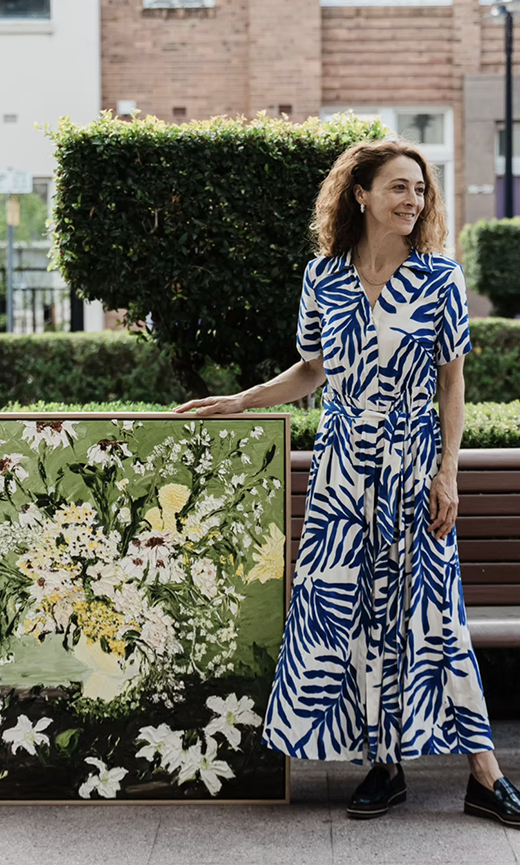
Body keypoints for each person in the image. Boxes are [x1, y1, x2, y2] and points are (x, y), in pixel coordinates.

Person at [173, 138, 520, 826]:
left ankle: (484, 773)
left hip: (414, 460)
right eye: (398, 187)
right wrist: (241, 399)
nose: (412, 201)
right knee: (346, 608)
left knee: (432, 611)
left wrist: (447, 471)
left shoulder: (439, 278)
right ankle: (384, 764)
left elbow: (453, 382)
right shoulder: (323, 277)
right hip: (341, 465)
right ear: (359, 193)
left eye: (419, 190)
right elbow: (312, 369)